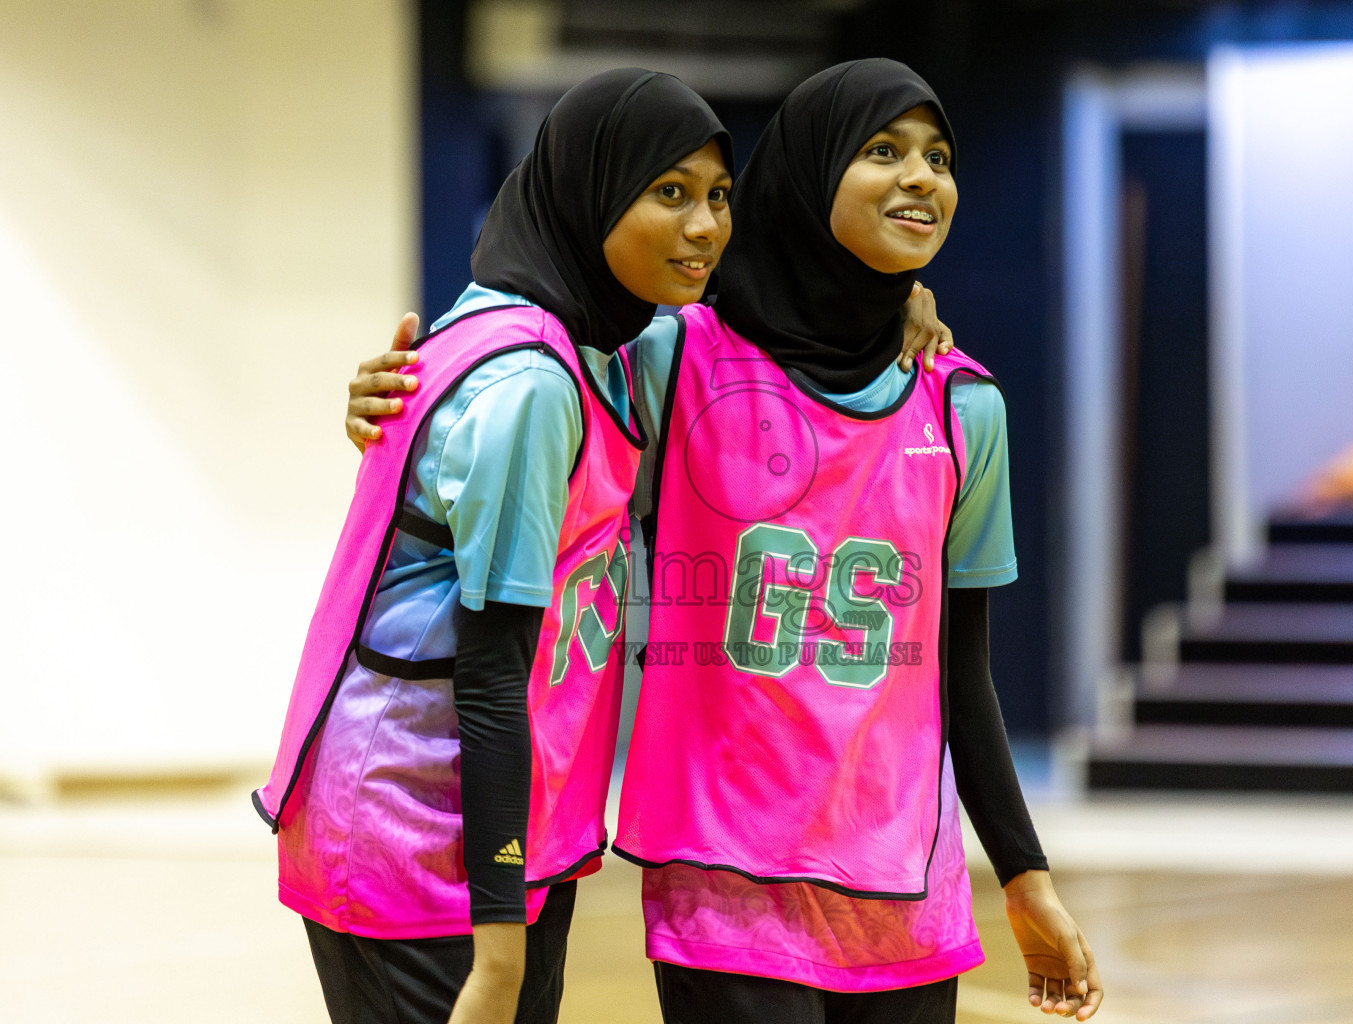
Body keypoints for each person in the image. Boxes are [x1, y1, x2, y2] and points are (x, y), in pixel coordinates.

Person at [348, 59, 1101, 1023]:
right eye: (883, 150)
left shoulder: (965, 406)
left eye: (939, 157)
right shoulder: (674, 361)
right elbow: (507, 383)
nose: (921, 176)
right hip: (724, 891)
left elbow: (964, 669)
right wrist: (384, 391)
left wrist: (1025, 874)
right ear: (809, 173)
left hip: (906, 894)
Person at [255, 68, 733, 1024]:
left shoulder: (593, 344)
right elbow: (490, 676)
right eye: (669, 193)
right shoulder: (532, 382)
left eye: (720, 197)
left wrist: (906, 305)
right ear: (589, 195)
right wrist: (501, 944)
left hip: (490, 821)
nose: (706, 226)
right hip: (415, 829)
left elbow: (771, 317)